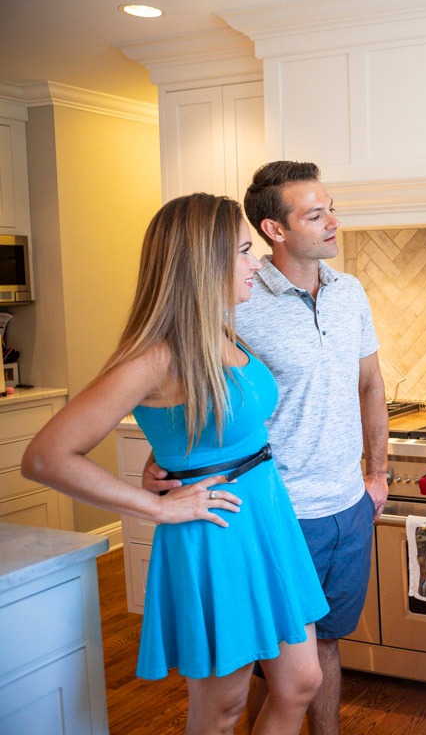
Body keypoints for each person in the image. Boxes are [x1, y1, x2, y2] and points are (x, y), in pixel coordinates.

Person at [23, 193, 327, 734]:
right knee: (222, 707)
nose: (255, 262)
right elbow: (47, 457)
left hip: (265, 518)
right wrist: (154, 508)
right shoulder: (156, 354)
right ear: (200, 264)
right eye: (240, 252)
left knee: (301, 681)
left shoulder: (222, 331)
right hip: (215, 531)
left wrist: (161, 455)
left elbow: (204, 421)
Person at [146, 161, 388, 735]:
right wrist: (168, 459)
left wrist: (376, 476)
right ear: (273, 229)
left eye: (331, 208)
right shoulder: (235, 300)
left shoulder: (349, 292)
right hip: (274, 510)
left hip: (347, 506)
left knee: (317, 656)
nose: (333, 221)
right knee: (259, 673)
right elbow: (192, 390)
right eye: (315, 213)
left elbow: (371, 384)